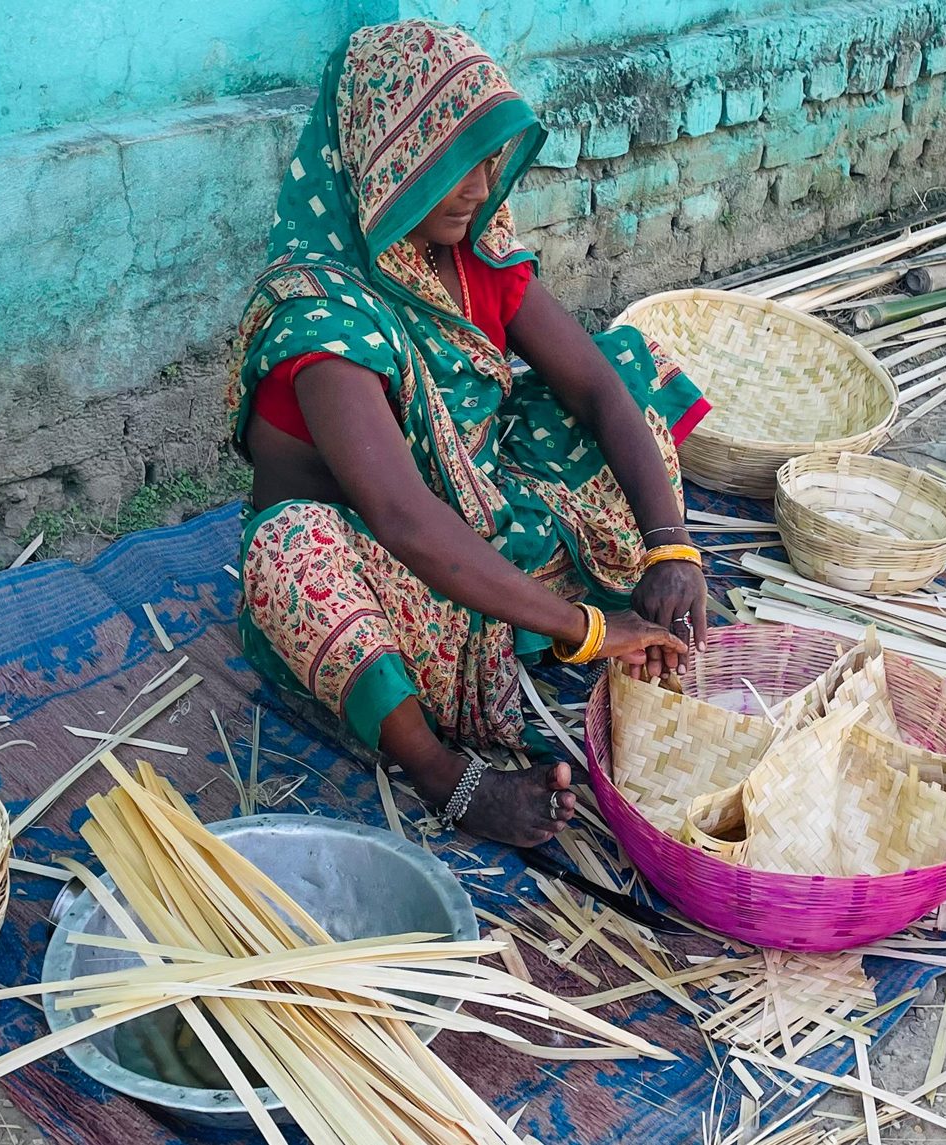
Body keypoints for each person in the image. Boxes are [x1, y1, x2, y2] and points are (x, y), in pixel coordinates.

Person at [232, 20, 711, 847]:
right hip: (389, 581)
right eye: (453, 162)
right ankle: (440, 768)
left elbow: (598, 388)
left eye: (490, 159)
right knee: (290, 550)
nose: (478, 186)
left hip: (479, 526)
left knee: (635, 364)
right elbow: (403, 518)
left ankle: (537, 617)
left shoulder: (473, 253)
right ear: (385, 162)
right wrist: (594, 631)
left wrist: (673, 547)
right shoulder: (322, 314)